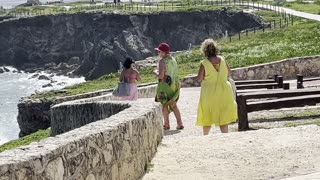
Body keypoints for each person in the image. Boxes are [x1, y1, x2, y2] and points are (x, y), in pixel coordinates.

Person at [196, 39, 237, 135]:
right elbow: (229, 72)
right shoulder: (222, 59)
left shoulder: (204, 63)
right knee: (223, 116)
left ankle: (205, 136)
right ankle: (225, 136)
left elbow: (200, 78)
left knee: (207, 115)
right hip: (224, 91)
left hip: (209, 92)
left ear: (204, 50)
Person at [154, 43, 184, 130]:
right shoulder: (173, 60)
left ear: (163, 52)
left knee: (164, 105)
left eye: (159, 51)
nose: (158, 53)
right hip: (174, 85)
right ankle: (179, 123)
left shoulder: (162, 62)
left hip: (165, 86)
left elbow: (161, 76)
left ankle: (166, 124)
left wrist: (155, 72)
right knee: (174, 105)